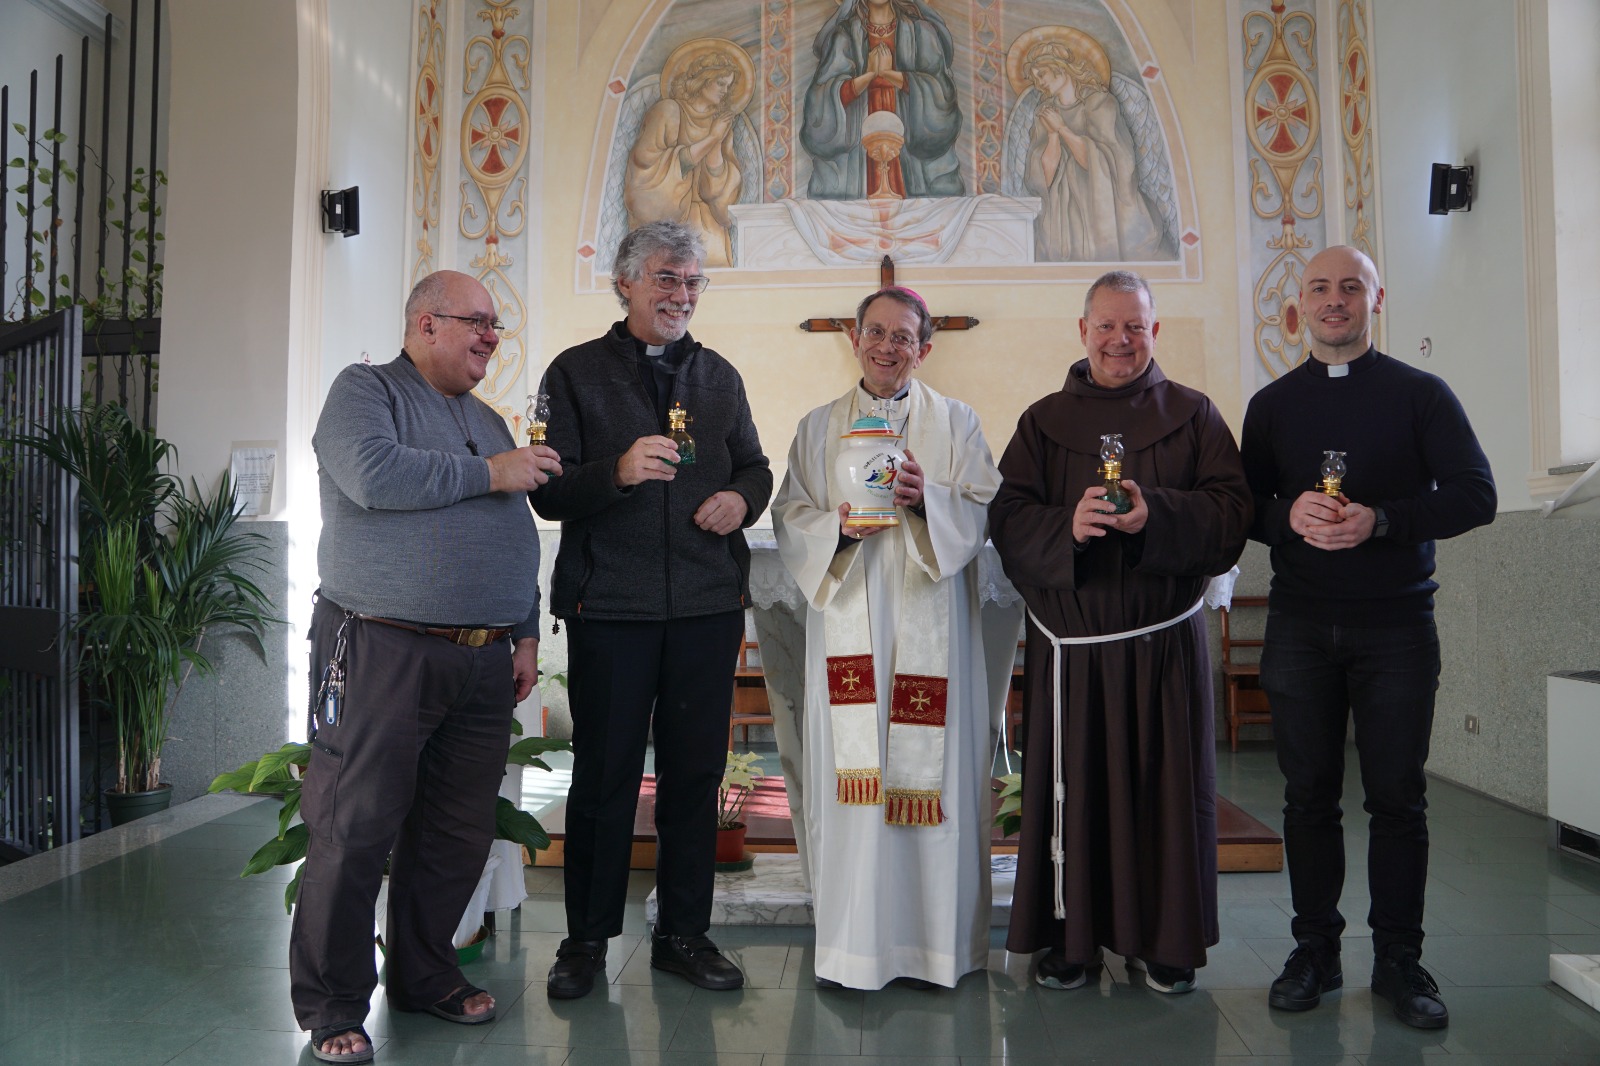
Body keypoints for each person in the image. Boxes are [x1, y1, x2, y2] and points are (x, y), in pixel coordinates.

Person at [293, 270, 562, 1064]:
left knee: (453, 833)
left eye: (495, 326)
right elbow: (374, 478)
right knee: (354, 828)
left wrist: (523, 632)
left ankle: (425, 973)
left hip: (480, 661)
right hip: (382, 647)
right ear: (424, 323)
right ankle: (335, 1003)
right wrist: (493, 472)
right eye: (475, 321)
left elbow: (514, 533)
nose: (489, 335)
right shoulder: (365, 391)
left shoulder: (485, 417)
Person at [1241, 245, 1495, 1029]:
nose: (1334, 300)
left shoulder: (1422, 395)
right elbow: (1242, 507)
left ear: (1375, 299)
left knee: (1397, 799)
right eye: (1319, 288)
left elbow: (1476, 495)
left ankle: (1398, 960)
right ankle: (1314, 949)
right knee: (1308, 796)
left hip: (1397, 625)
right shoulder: (1273, 405)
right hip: (1301, 625)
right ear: (1299, 307)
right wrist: (1288, 515)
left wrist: (1381, 520)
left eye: (1350, 286)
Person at [992, 270, 1251, 995]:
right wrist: (1064, 528)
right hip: (1071, 654)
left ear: (1154, 331)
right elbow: (1008, 519)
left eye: (1134, 326)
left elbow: (1233, 513)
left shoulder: (1194, 415)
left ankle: (1166, 946)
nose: (1120, 340)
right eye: (1106, 326)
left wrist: (1155, 517)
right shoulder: (1044, 422)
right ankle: (1071, 944)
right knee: (1071, 794)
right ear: (1082, 332)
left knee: (1164, 795)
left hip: (1162, 647)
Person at [535, 220, 772, 1000]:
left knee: (693, 778)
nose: (681, 295)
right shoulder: (575, 373)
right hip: (612, 607)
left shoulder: (721, 377)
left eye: (693, 282)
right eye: (667, 278)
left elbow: (756, 467)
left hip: (705, 606)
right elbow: (548, 489)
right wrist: (618, 471)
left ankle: (684, 934)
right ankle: (585, 941)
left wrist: (741, 498)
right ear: (626, 282)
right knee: (603, 777)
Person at [772, 286, 1003, 989]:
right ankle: (854, 949)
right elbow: (790, 514)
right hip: (850, 627)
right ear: (854, 338)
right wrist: (835, 529)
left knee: (933, 780)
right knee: (853, 789)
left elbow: (984, 505)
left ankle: (937, 949)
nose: (887, 346)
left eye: (903, 336)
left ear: (925, 347)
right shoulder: (817, 429)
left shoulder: (958, 423)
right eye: (875, 332)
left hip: (931, 631)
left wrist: (925, 500)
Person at [1018, 36, 1165, 262]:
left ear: (1060, 68)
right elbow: (1042, 178)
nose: (1038, 83)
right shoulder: (1044, 113)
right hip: (1062, 216)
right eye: (1035, 78)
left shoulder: (1099, 103)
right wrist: (1052, 134)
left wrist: (1063, 128)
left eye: (1041, 74)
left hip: (1104, 208)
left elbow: (1107, 164)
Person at [801, 0, 964, 199]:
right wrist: (868, 76)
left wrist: (890, 74)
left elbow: (942, 95)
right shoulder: (844, 36)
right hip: (858, 159)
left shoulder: (922, 32)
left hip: (910, 151)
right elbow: (820, 103)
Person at [625, 46, 745, 267]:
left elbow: (715, 192)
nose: (725, 91)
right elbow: (647, 164)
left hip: (707, 226)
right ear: (702, 80)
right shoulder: (668, 111)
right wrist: (711, 138)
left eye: (728, 86)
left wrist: (717, 140)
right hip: (667, 225)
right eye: (720, 83)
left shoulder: (720, 123)